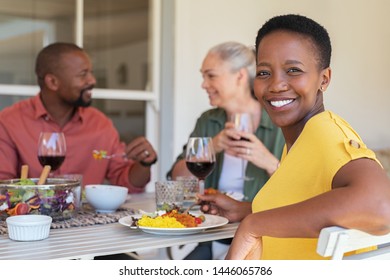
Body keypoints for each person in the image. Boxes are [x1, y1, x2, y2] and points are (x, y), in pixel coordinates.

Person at [197, 14, 390, 260]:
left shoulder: (325, 133)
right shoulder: (301, 138)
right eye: (264, 73)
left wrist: (254, 224)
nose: (277, 84)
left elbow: (381, 207)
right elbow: (307, 203)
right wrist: (247, 211)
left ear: (324, 79)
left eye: (293, 70)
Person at [167, 41, 285, 259]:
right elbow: (177, 177)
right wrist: (212, 146)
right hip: (213, 231)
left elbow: (298, 190)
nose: (204, 84)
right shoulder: (209, 121)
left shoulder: (279, 121)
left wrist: (268, 161)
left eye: (211, 76)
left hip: (264, 236)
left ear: (240, 76)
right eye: (203, 76)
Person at [0, 42, 157, 193]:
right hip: (31, 219)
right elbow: (3, 186)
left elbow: (126, 182)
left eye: (91, 73)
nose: (92, 80)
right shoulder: (9, 122)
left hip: (89, 219)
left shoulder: (100, 124)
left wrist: (144, 163)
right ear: (53, 82)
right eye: (83, 74)